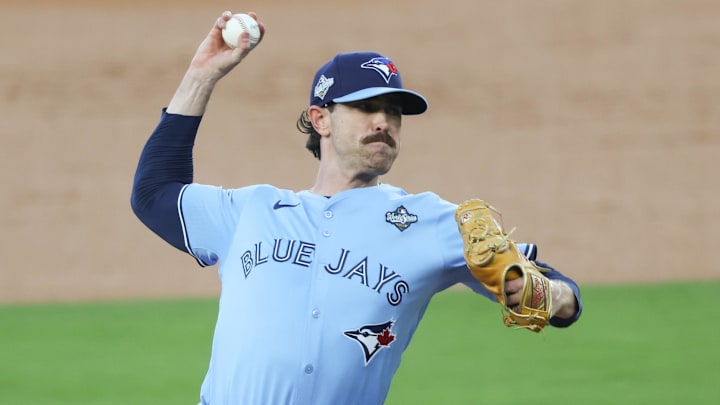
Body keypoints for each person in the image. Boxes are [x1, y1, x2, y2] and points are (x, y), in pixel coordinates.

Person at [130, 10, 583, 405]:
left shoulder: (434, 222)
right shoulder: (251, 211)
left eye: (394, 111)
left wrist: (550, 294)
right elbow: (153, 194)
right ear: (320, 118)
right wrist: (202, 75)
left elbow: (556, 292)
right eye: (366, 107)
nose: (383, 121)